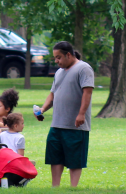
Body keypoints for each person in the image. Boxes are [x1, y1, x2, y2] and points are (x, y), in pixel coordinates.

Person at [36, 41, 94, 188]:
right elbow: (52, 95)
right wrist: (42, 110)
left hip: (75, 124)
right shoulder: (59, 72)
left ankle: (73, 188)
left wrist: (81, 114)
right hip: (57, 123)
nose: (56, 61)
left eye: (59, 57)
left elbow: (87, 93)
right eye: (55, 58)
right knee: (55, 157)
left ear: (69, 54)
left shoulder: (84, 68)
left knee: (75, 158)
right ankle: (55, 187)